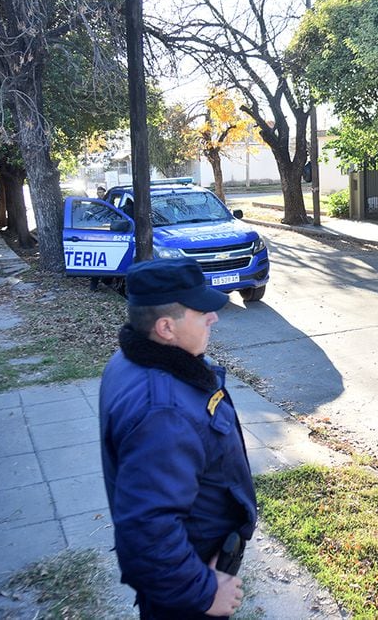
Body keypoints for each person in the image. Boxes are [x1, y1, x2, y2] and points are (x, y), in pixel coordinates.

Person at [99, 258, 257, 618]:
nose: (213, 317)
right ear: (166, 328)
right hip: (187, 584)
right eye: (201, 311)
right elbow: (145, 529)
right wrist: (203, 593)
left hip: (194, 562)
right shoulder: (163, 412)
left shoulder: (131, 360)